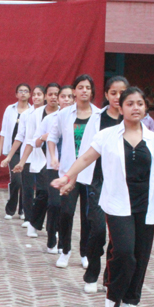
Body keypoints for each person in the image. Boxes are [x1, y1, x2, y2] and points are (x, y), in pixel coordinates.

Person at [52, 86, 154, 307]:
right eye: (130, 104)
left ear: (145, 108)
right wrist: (67, 176)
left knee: (141, 253)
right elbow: (86, 157)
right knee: (124, 251)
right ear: (121, 108)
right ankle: (113, 296)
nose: (135, 108)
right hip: (117, 203)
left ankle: (131, 299)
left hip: (146, 204)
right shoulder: (107, 136)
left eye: (140, 104)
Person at [47, 75, 100, 268]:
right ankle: (65, 250)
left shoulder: (99, 115)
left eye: (88, 87)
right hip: (68, 173)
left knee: (88, 216)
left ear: (92, 91)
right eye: (80, 87)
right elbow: (52, 137)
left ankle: (85, 252)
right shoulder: (64, 114)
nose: (84, 90)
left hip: (91, 173)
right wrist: (54, 157)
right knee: (66, 212)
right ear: (75, 91)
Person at [81, 76, 128, 294]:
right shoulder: (97, 119)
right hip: (98, 182)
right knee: (98, 230)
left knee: (117, 235)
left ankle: (109, 279)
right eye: (113, 93)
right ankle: (92, 274)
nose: (118, 97)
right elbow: (86, 151)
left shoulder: (133, 119)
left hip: (123, 185)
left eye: (122, 93)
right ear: (106, 94)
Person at [1, 84, 48, 235]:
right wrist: (9, 156)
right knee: (27, 187)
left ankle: (38, 217)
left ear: (45, 97)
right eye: (34, 94)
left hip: (45, 156)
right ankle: (28, 217)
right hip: (27, 155)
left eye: (39, 94)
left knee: (42, 189)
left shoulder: (51, 113)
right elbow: (20, 136)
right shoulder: (27, 114)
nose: (36, 97)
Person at [32, 85, 73, 253]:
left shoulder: (78, 119)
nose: (66, 100)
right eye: (63, 96)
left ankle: (63, 243)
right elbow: (35, 142)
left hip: (72, 168)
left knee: (66, 208)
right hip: (53, 167)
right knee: (54, 203)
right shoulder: (50, 119)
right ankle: (51, 239)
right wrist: (44, 137)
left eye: (70, 97)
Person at [0, 84, 31, 220]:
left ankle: (23, 210)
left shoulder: (33, 111)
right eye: (20, 91)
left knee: (25, 181)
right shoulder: (10, 109)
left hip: (27, 151)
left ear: (30, 94)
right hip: (13, 150)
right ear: (16, 94)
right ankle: (10, 208)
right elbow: (3, 131)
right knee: (16, 180)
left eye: (26, 91)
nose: (23, 93)